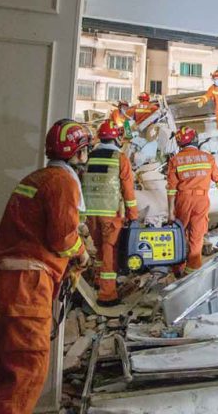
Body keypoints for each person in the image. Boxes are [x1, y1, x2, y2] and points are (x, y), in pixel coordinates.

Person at [0, 119, 91, 413]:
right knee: (22, 380)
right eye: (85, 151)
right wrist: (80, 253)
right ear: (78, 152)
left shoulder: (34, 179)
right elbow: (61, 238)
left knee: (3, 384)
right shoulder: (64, 181)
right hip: (27, 289)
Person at [82, 120, 138, 306]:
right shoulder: (119, 158)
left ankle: (98, 281)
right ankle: (107, 295)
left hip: (91, 213)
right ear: (116, 138)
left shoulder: (90, 156)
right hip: (109, 213)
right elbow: (128, 190)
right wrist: (133, 215)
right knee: (109, 252)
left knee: (99, 248)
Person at [166, 126, 218, 274]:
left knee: (179, 234)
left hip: (183, 199)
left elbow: (171, 189)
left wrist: (170, 212)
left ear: (180, 143)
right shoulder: (208, 158)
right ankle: (192, 272)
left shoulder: (175, 160)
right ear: (195, 140)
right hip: (201, 200)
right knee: (197, 236)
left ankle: (177, 269)